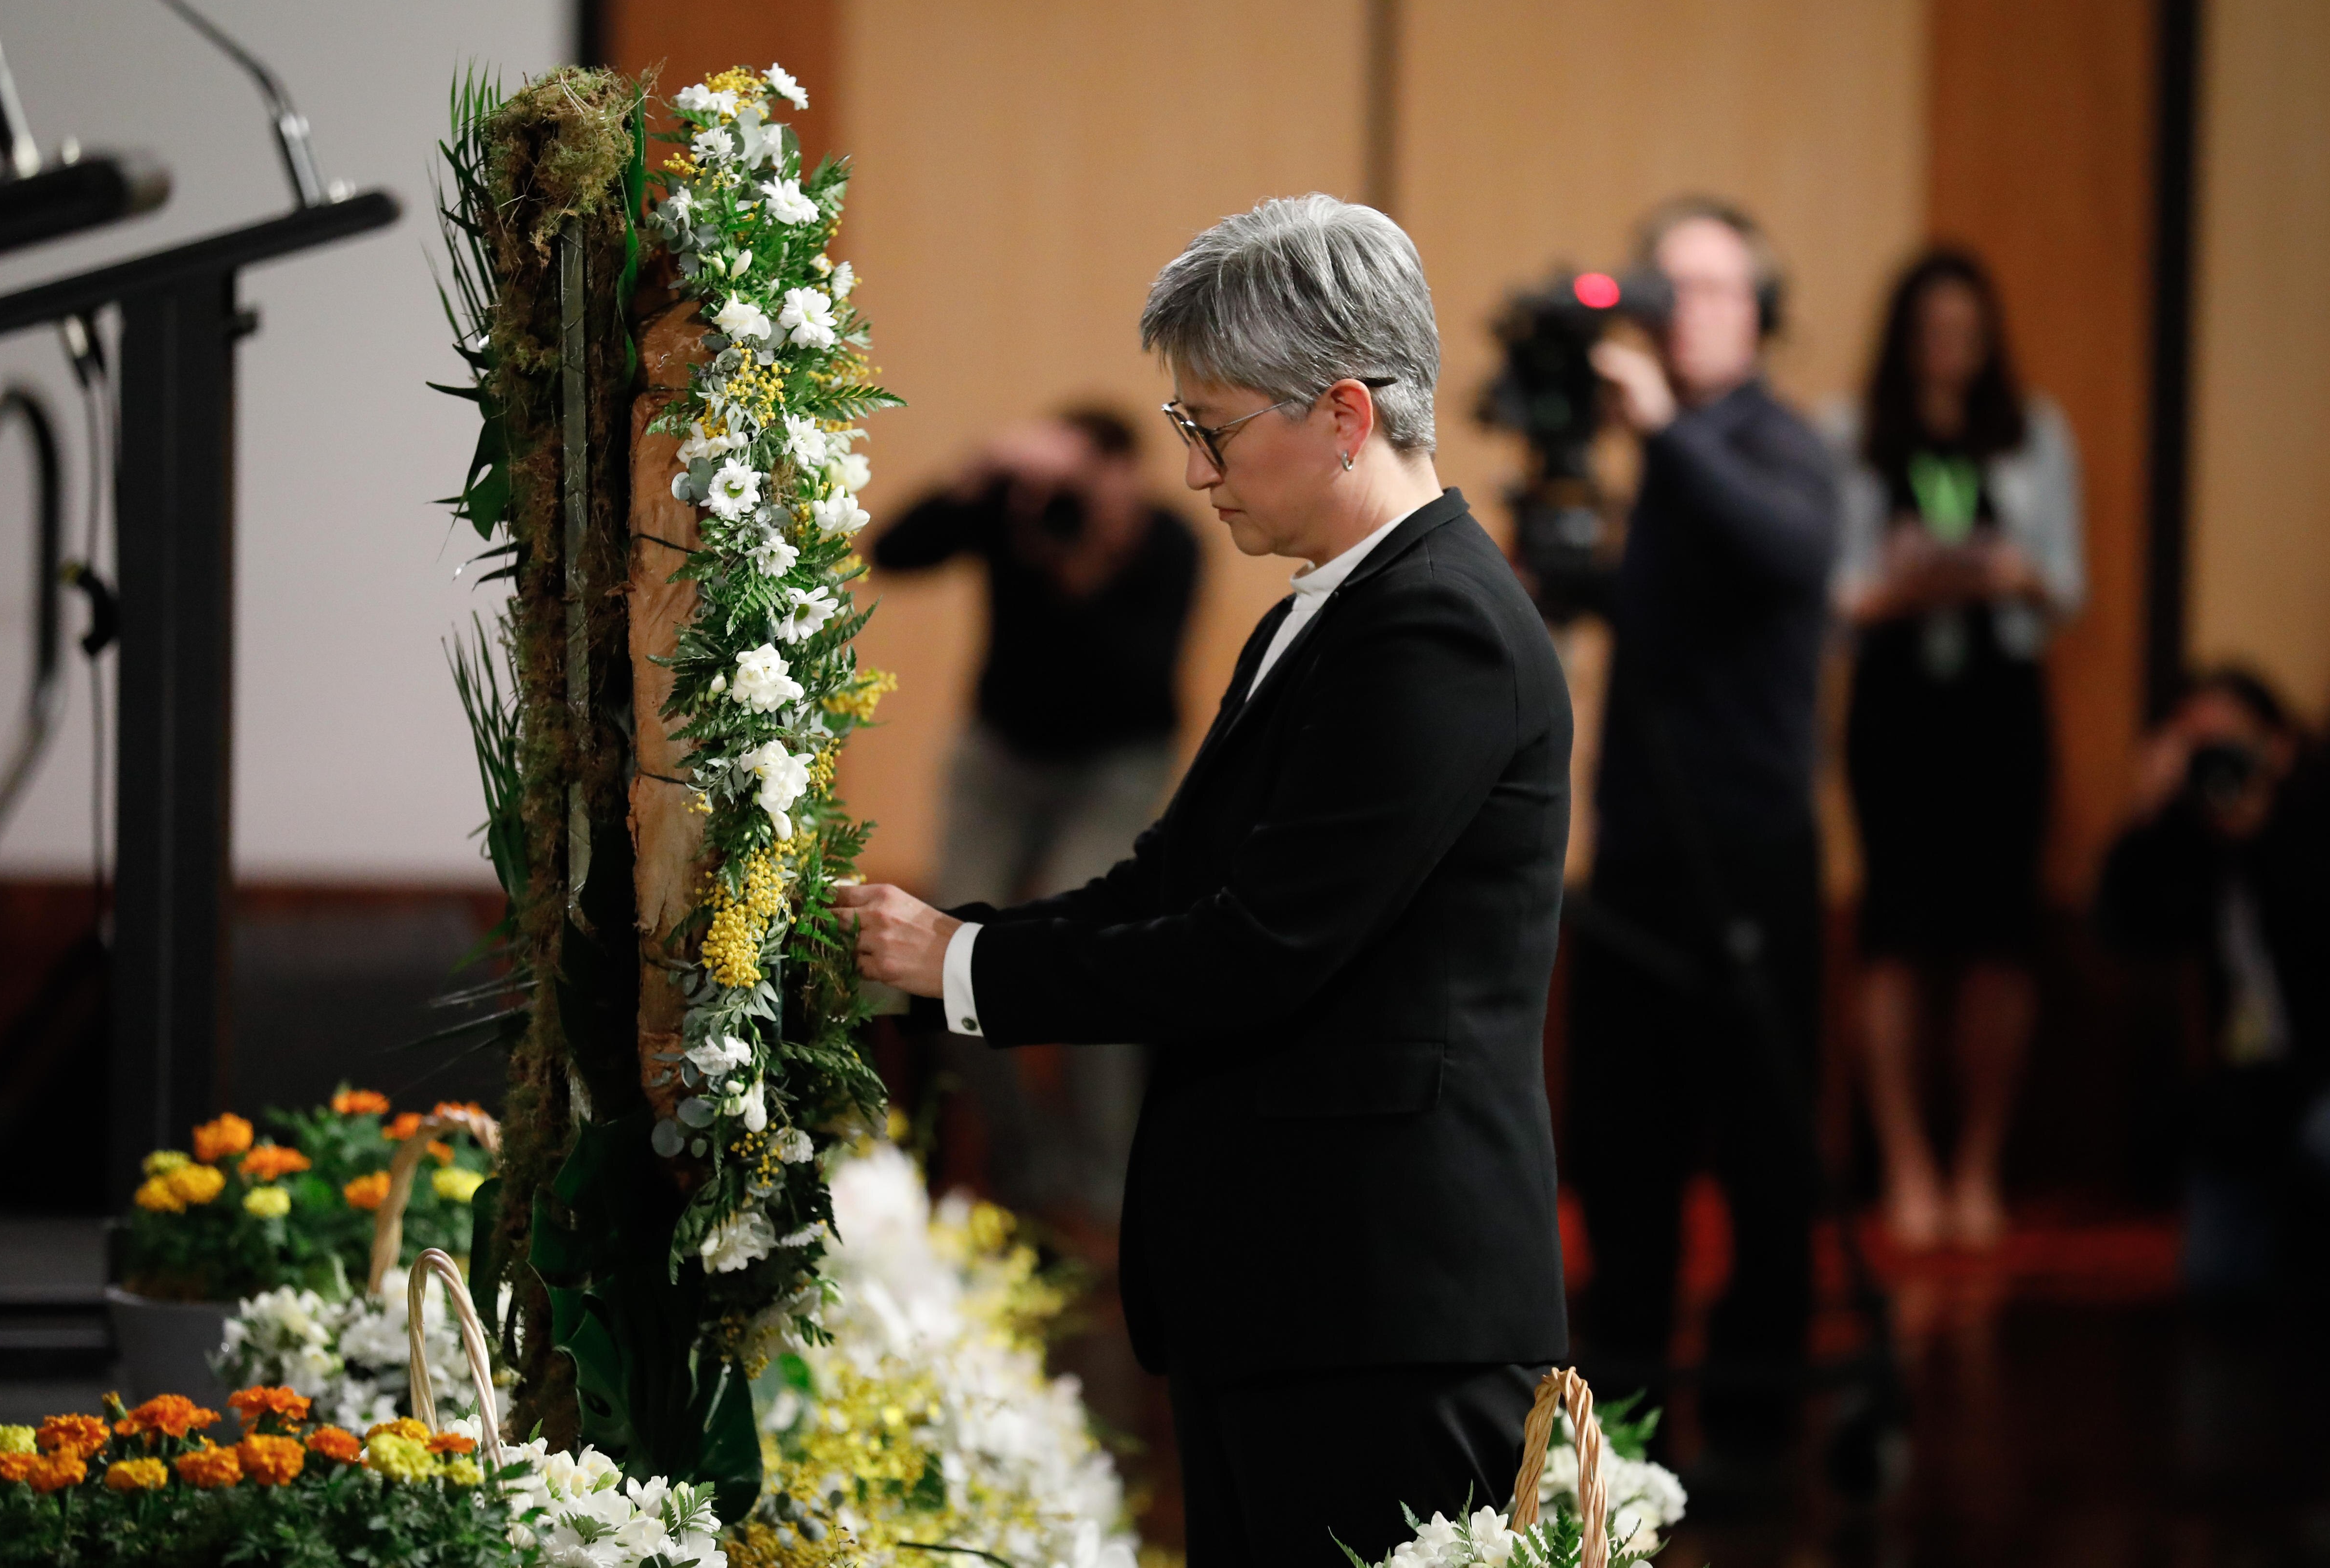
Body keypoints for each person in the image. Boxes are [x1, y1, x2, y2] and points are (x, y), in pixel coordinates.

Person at [835, 194, 1574, 1568]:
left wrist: (961, 964)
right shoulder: (1331, 599)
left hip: (1383, 1297)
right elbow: (1167, 876)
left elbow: (1261, 945)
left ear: (1344, 414)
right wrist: (941, 945)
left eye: (1212, 427)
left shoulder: (1441, 624)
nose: (1191, 469)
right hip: (1301, 1284)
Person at [1564, 197, 1838, 1495]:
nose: (1683, 312)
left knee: (1763, 1148)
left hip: (1753, 853)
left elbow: (1786, 551)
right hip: (1639, 855)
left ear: (1758, 309)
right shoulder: (1664, 458)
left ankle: (1754, 1419)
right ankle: (1620, 1423)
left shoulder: (1779, 442)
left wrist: (1665, 434)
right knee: (1625, 1146)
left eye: (1711, 288)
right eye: (1664, 288)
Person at [871, 407, 1199, 1223]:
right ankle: (1025, 1170)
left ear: (1129, 475)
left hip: (1115, 765)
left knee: (1091, 946)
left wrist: (1086, 560)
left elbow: (1137, 671)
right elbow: (892, 553)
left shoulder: (1165, 542)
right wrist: (975, 472)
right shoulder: (1009, 509)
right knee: (950, 944)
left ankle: (1108, 1184)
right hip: (1001, 759)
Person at [1821, 249, 2086, 1251]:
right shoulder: (1849, 433)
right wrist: (1894, 583)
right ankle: (1906, 1164)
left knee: (1995, 931)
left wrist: (2006, 571)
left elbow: (2066, 583)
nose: (1949, 350)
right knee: (1894, 925)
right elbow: (1830, 593)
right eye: (1932, 331)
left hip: (1999, 703)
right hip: (1894, 708)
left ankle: (1978, 1163)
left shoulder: (2034, 431)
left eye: (1966, 333)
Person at [2097, 668, 2330, 1294]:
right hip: (2256, 1093)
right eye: (2193, 743)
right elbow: (2123, 929)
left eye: (2226, 740)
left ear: (2279, 745)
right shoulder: (2190, 839)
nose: (2213, 760)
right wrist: (2147, 813)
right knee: (2216, 1283)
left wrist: (2264, 833)